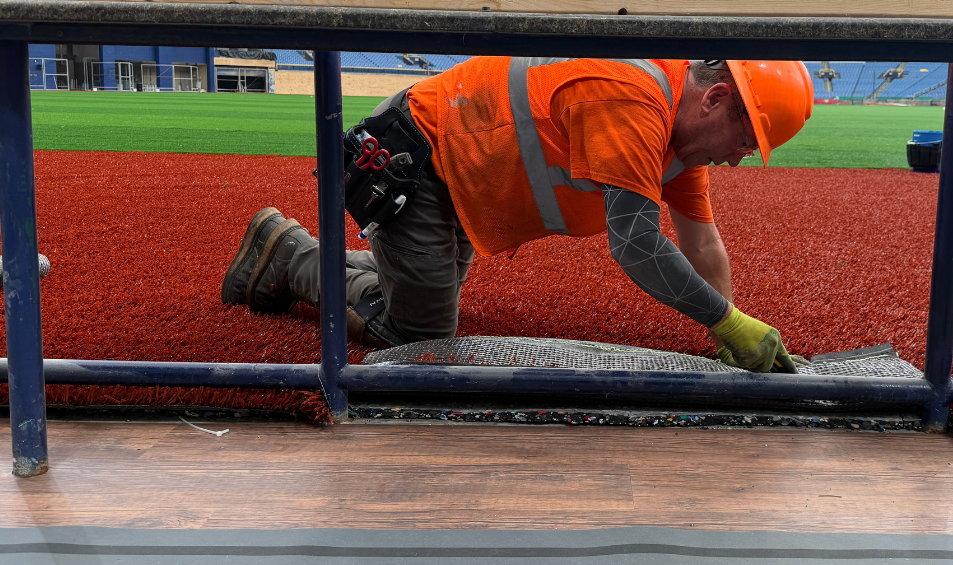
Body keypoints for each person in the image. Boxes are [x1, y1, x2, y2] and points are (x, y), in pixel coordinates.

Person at [222, 57, 814, 373]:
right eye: (746, 138)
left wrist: (722, 331)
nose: (739, 159)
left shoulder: (681, 148)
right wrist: (729, 320)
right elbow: (636, 244)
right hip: (420, 158)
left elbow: (701, 242)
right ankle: (289, 252)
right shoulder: (635, 102)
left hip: (463, 180)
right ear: (714, 99)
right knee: (419, 338)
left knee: (428, 292)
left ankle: (340, 259)